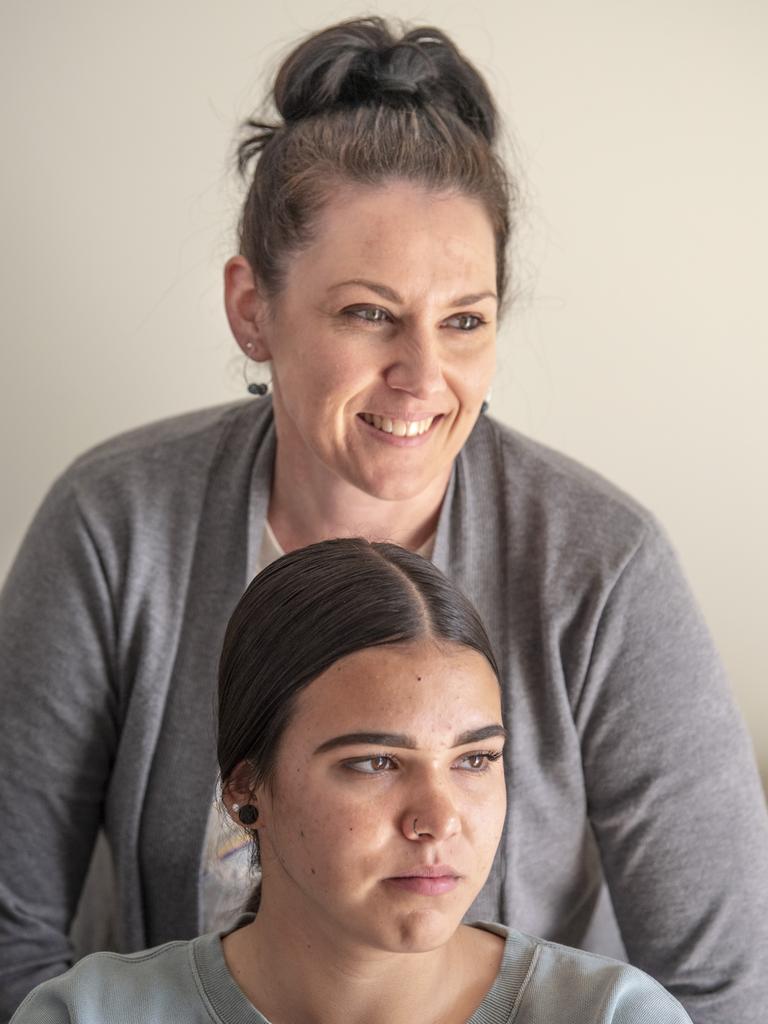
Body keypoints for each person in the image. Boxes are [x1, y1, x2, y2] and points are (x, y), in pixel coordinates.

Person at [0, 16, 766, 1024]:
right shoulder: (115, 527)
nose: (421, 376)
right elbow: (12, 933)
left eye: (464, 320)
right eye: (368, 313)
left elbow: (725, 990)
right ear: (252, 309)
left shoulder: (601, 564)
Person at [10, 539, 693, 1024]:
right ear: (246, 788)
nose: (439, 818)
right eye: (376, 762)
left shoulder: (612, 1015)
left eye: (475, 760)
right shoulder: (86, 1015)